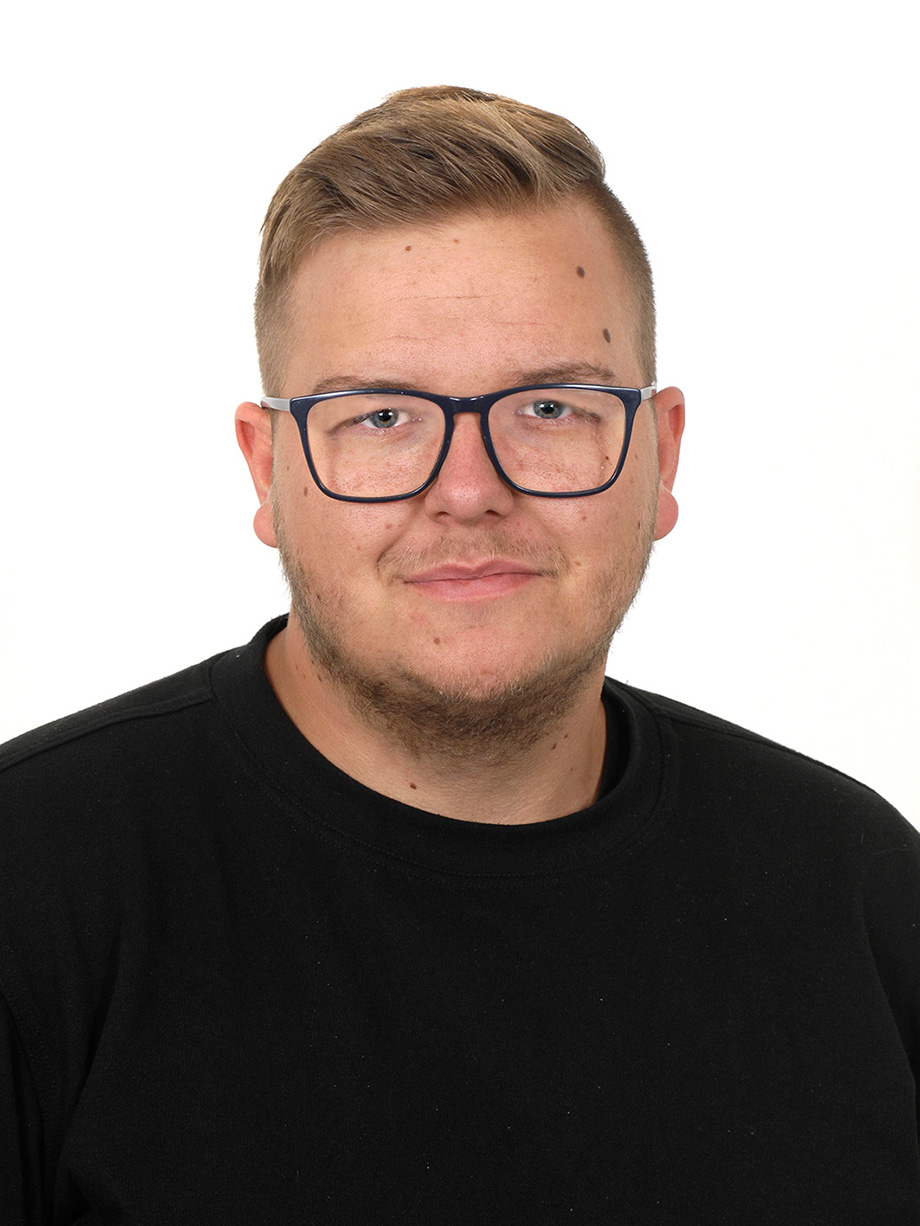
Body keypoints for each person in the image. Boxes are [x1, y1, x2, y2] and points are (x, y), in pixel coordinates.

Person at [2, 85, 918, 1224]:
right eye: (381, 417)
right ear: (267, 470)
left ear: (660, 453)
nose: (470, 490)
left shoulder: (857, 896)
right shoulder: (31, 890)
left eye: (550, 407)